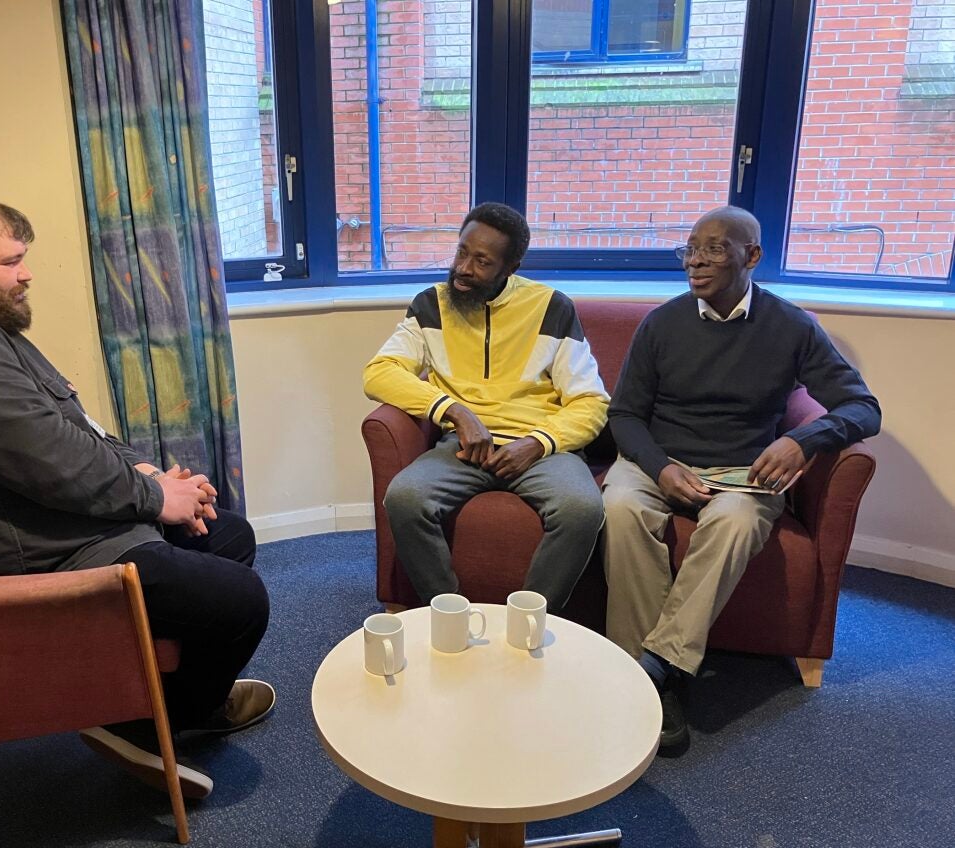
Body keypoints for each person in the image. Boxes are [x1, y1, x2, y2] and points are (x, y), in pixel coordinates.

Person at [0, 188, 274, 800]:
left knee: (228, 533)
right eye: (9, 262)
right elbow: (52, 463)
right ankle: (140, 726)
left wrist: (147, 474)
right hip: (16, 563)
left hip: (34, 524)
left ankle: (171, 696)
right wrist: (153, 500)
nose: (25, 275)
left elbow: (67, 425)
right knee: (241, 601)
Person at [602, 205, 881, 754]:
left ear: (751, 256)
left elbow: (862, 407)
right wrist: (660, 466)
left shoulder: (792, 326)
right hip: (657, 462)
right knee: (620, 509)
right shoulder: (662, 323)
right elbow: (624, 415)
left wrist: (803, 439)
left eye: (713, 248)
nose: (696, 260)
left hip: (741, 472)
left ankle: (655, 667)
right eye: (690, 248)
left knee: (734, 522)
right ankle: (655, 680)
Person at [363, 202, 609, 611]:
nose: (463, 268)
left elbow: (591, 401)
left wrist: (538, 442)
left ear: (510, 266)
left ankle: (529, 620)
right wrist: (454, 412)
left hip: (540, 449)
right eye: (462, 252)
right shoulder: (431, 304)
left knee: (582, 509)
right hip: (461, 448)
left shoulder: (552, 308)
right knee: (404, 498)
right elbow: (378, 373)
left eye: (481, 261)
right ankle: (449, 613)